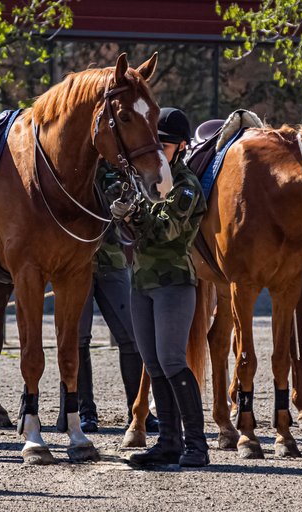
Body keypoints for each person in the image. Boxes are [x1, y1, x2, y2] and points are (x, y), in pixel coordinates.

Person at [111, 107, 208, 468]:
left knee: (171, 360)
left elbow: (165, 229)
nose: (159, 151)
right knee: (152, 364)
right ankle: (168, 442)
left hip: (173, 283)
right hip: (143, 281)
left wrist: (132, 214)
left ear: (181, 147)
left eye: (165, 145)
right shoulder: (149, 182)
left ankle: (196, 444)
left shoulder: (185, 186)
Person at [56, 162, 157, 434]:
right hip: (75, 263)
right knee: (78, 339)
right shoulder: (70, 166)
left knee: (132, 336)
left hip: (111, 258)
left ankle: (137, 410)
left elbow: (137, 213)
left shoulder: (118, 165)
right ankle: (81, 411)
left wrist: (125, 204)